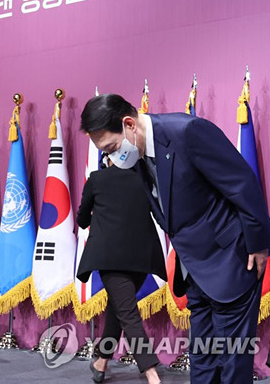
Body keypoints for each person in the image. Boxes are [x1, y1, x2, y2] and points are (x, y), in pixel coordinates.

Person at [80, 94, 270, 384]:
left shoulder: (187, 132)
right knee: (202, 361)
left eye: (111, 147)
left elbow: (241, 182)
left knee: (233, 362)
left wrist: (259, 243)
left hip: (230, 261)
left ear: (129, 123)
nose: (110, 157)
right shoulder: (138, 155)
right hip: (194, 270)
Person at [76, 155, 165, 384]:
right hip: (141, 259)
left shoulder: (97, 179)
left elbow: (82, 220)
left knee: (126, 313)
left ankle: (152, 374)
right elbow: (159, 214)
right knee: (118, 310)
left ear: (108, 158)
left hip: (111, 259)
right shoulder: (144, 180)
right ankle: (101, 362)